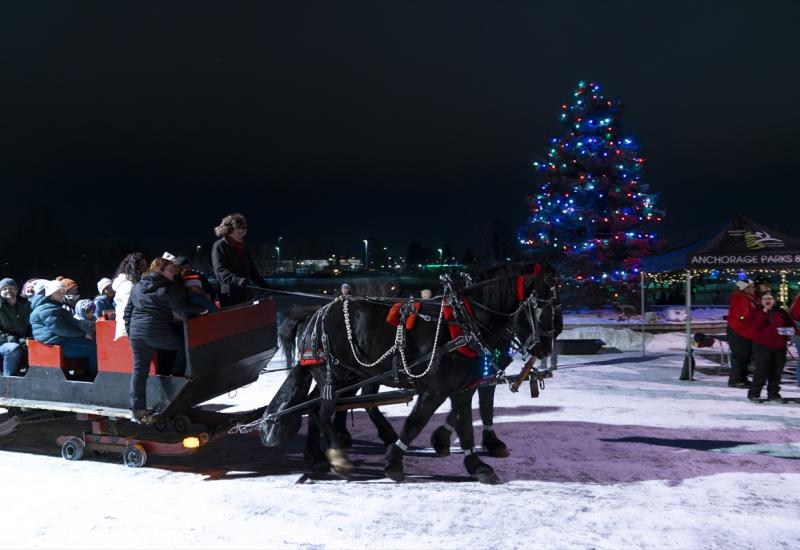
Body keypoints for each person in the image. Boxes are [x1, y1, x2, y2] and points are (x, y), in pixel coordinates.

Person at [125, 257, 207, 422]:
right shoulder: (166, 288)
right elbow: (181, 308)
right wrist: (203, 309)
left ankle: (138, 409)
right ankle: (177, 381)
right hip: (156, 333)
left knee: (139, 371)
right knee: (183, 344)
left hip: (137, 334)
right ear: (160, 270)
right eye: (170, 270)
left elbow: (128, 312)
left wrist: (131, 332)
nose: (173, 273)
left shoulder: (137, 286)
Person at [30, 280, 98, 379]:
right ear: (50, 294)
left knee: (91, 344)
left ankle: (81, 374)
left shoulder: (53, 306)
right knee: (94, 349)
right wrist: (83, 334)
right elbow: (60, 329)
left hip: (60, 340)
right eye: (58, 292)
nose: (62, 294)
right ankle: (93, 376)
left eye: (63, 291)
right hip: (56, 342)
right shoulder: (48, 309)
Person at [747, 292, 795, 402]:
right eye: (765, 298)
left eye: (770, 298)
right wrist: (764, 311)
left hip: (779, 345)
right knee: (762, 370)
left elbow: (791, 326)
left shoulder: (781, 312)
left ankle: (773, 393)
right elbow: (756, 326)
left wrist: (788, 331)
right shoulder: (756, 312)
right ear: (761, 300)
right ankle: (754, 393)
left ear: (774, 299)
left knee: (776, 371)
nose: (768, 300)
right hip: (762, 345)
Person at [211, 213, 266, 307]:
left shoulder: (243, 247)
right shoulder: (219, 246)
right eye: (238, 232)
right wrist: (237, 280)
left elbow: (252, 270)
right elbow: (220, 271)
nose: (242, 235)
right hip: (230, 297)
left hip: (247, 296)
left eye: (243, 232)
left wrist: (264, 284)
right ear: (229, 231)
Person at [726, 279, 757, 388]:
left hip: (744, 331)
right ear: (744, 288)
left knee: (745, 355)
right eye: (751, 287)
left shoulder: (748, 298)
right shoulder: (740, 298)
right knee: (740, 355)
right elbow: (742, 316)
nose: (754, 289)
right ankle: (735, 380)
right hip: (738, 331)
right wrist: (752, 320)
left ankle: (742, 378)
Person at [111, 252, 148, 341]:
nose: (145, 269)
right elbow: (129, 310)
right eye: (142, 266)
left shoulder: (132, 283)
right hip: (128, 332)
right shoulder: (127, 285)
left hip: (133, 330)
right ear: (135, 267)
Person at [0, 278, 31, 376]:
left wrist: (30, 339)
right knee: (13, 348)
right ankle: (8, 381)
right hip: (4, 343)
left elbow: (31, 324)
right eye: (4, 289)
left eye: (11, 288)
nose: (8, 291)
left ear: (17, 290)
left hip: (23, 341)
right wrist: (16, 340)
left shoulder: (25, 305)